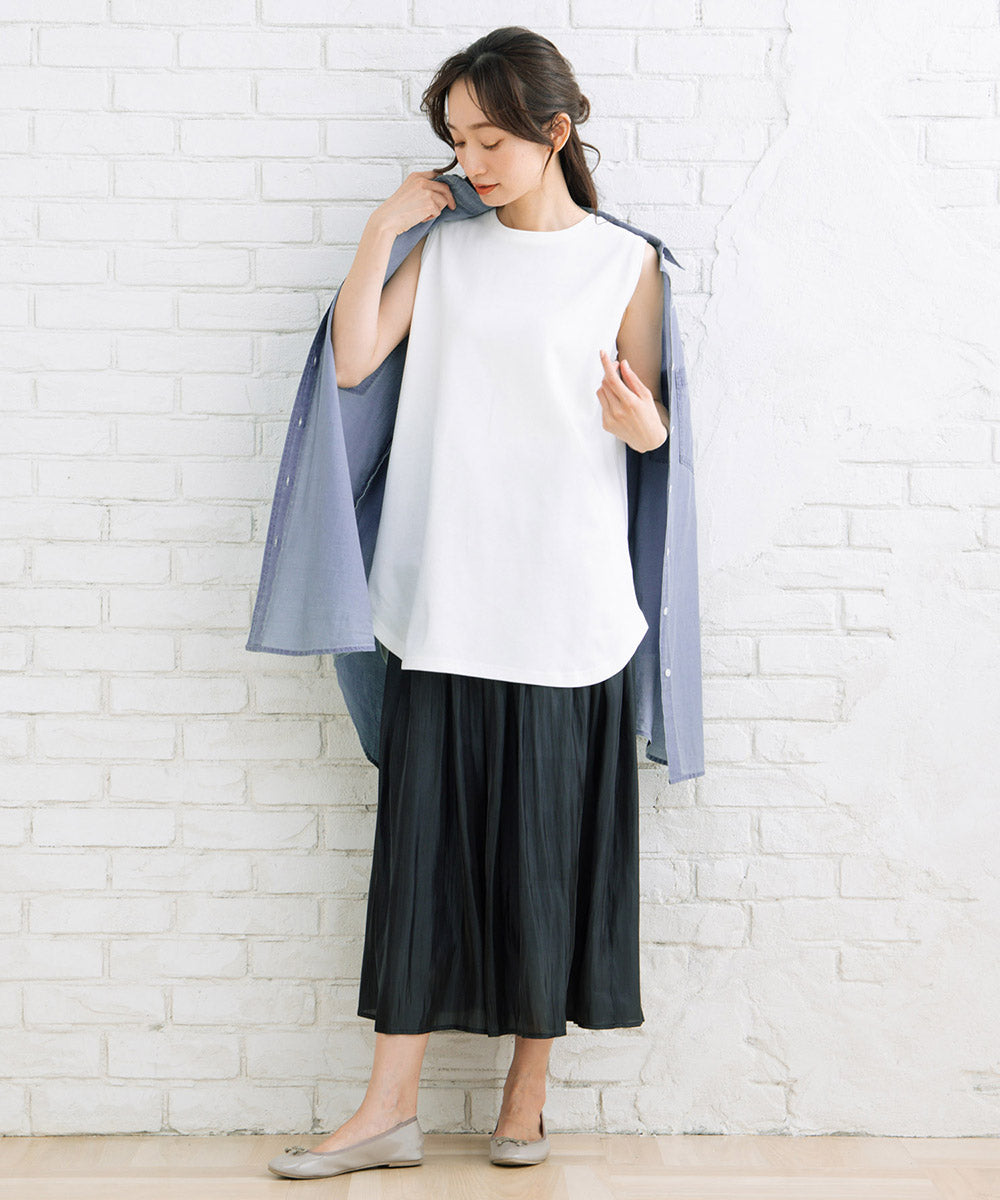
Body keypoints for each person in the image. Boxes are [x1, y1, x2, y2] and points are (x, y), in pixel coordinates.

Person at [266, 25, 675, 1181]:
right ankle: (386, 1111)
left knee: (546, 858)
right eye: (455, 140)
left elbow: (653, 429)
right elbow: (354, 361)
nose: (470, 162)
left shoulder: (625, 264)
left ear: (556, 131)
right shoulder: (444, 253)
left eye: (490, 139)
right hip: (443, 599)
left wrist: (638, 424)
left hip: (567, 605)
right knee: (417, 866)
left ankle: (525, 1100)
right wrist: (383, 227)